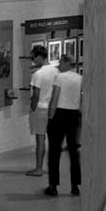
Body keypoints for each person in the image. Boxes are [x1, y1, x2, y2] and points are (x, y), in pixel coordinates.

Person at [44, 53, 82, 197]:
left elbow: (55, 98)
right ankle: (75, 185)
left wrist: (50, 115)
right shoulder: (80, 78)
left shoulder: (59, 77)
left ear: (66, 63)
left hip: (59, 114)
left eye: (60, 62)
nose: (59, 65)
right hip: (73, 114)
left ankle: (53, 185)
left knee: (54, 151)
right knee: (73, 151)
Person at [25, 45, 57, 177]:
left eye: (33, 58)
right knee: (54, 140)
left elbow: (36, 95)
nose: (33, 61)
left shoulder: (38, 74)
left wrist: (32, 108)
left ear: (39, 57)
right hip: (53, 108)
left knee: (40, 139)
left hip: (40, 109)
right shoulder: (56, 71)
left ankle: (38, 168)